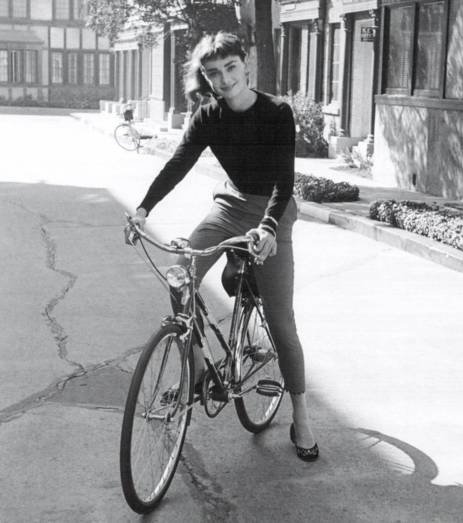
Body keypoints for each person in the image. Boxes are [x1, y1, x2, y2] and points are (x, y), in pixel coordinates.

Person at [129, 32, 318, 461]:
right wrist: (142, 209)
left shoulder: (276, 113)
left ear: (245, 64)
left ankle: (302, 415)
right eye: (214, 73)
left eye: (231, 68)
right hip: (230, 207)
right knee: (180, 275)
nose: (225, 79)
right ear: (206, 77)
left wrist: (268, 227)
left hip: (272, 212)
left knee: (281, 320)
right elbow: (179, 163)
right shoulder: (208, 116)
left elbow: (284, 180)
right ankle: (197, 369)